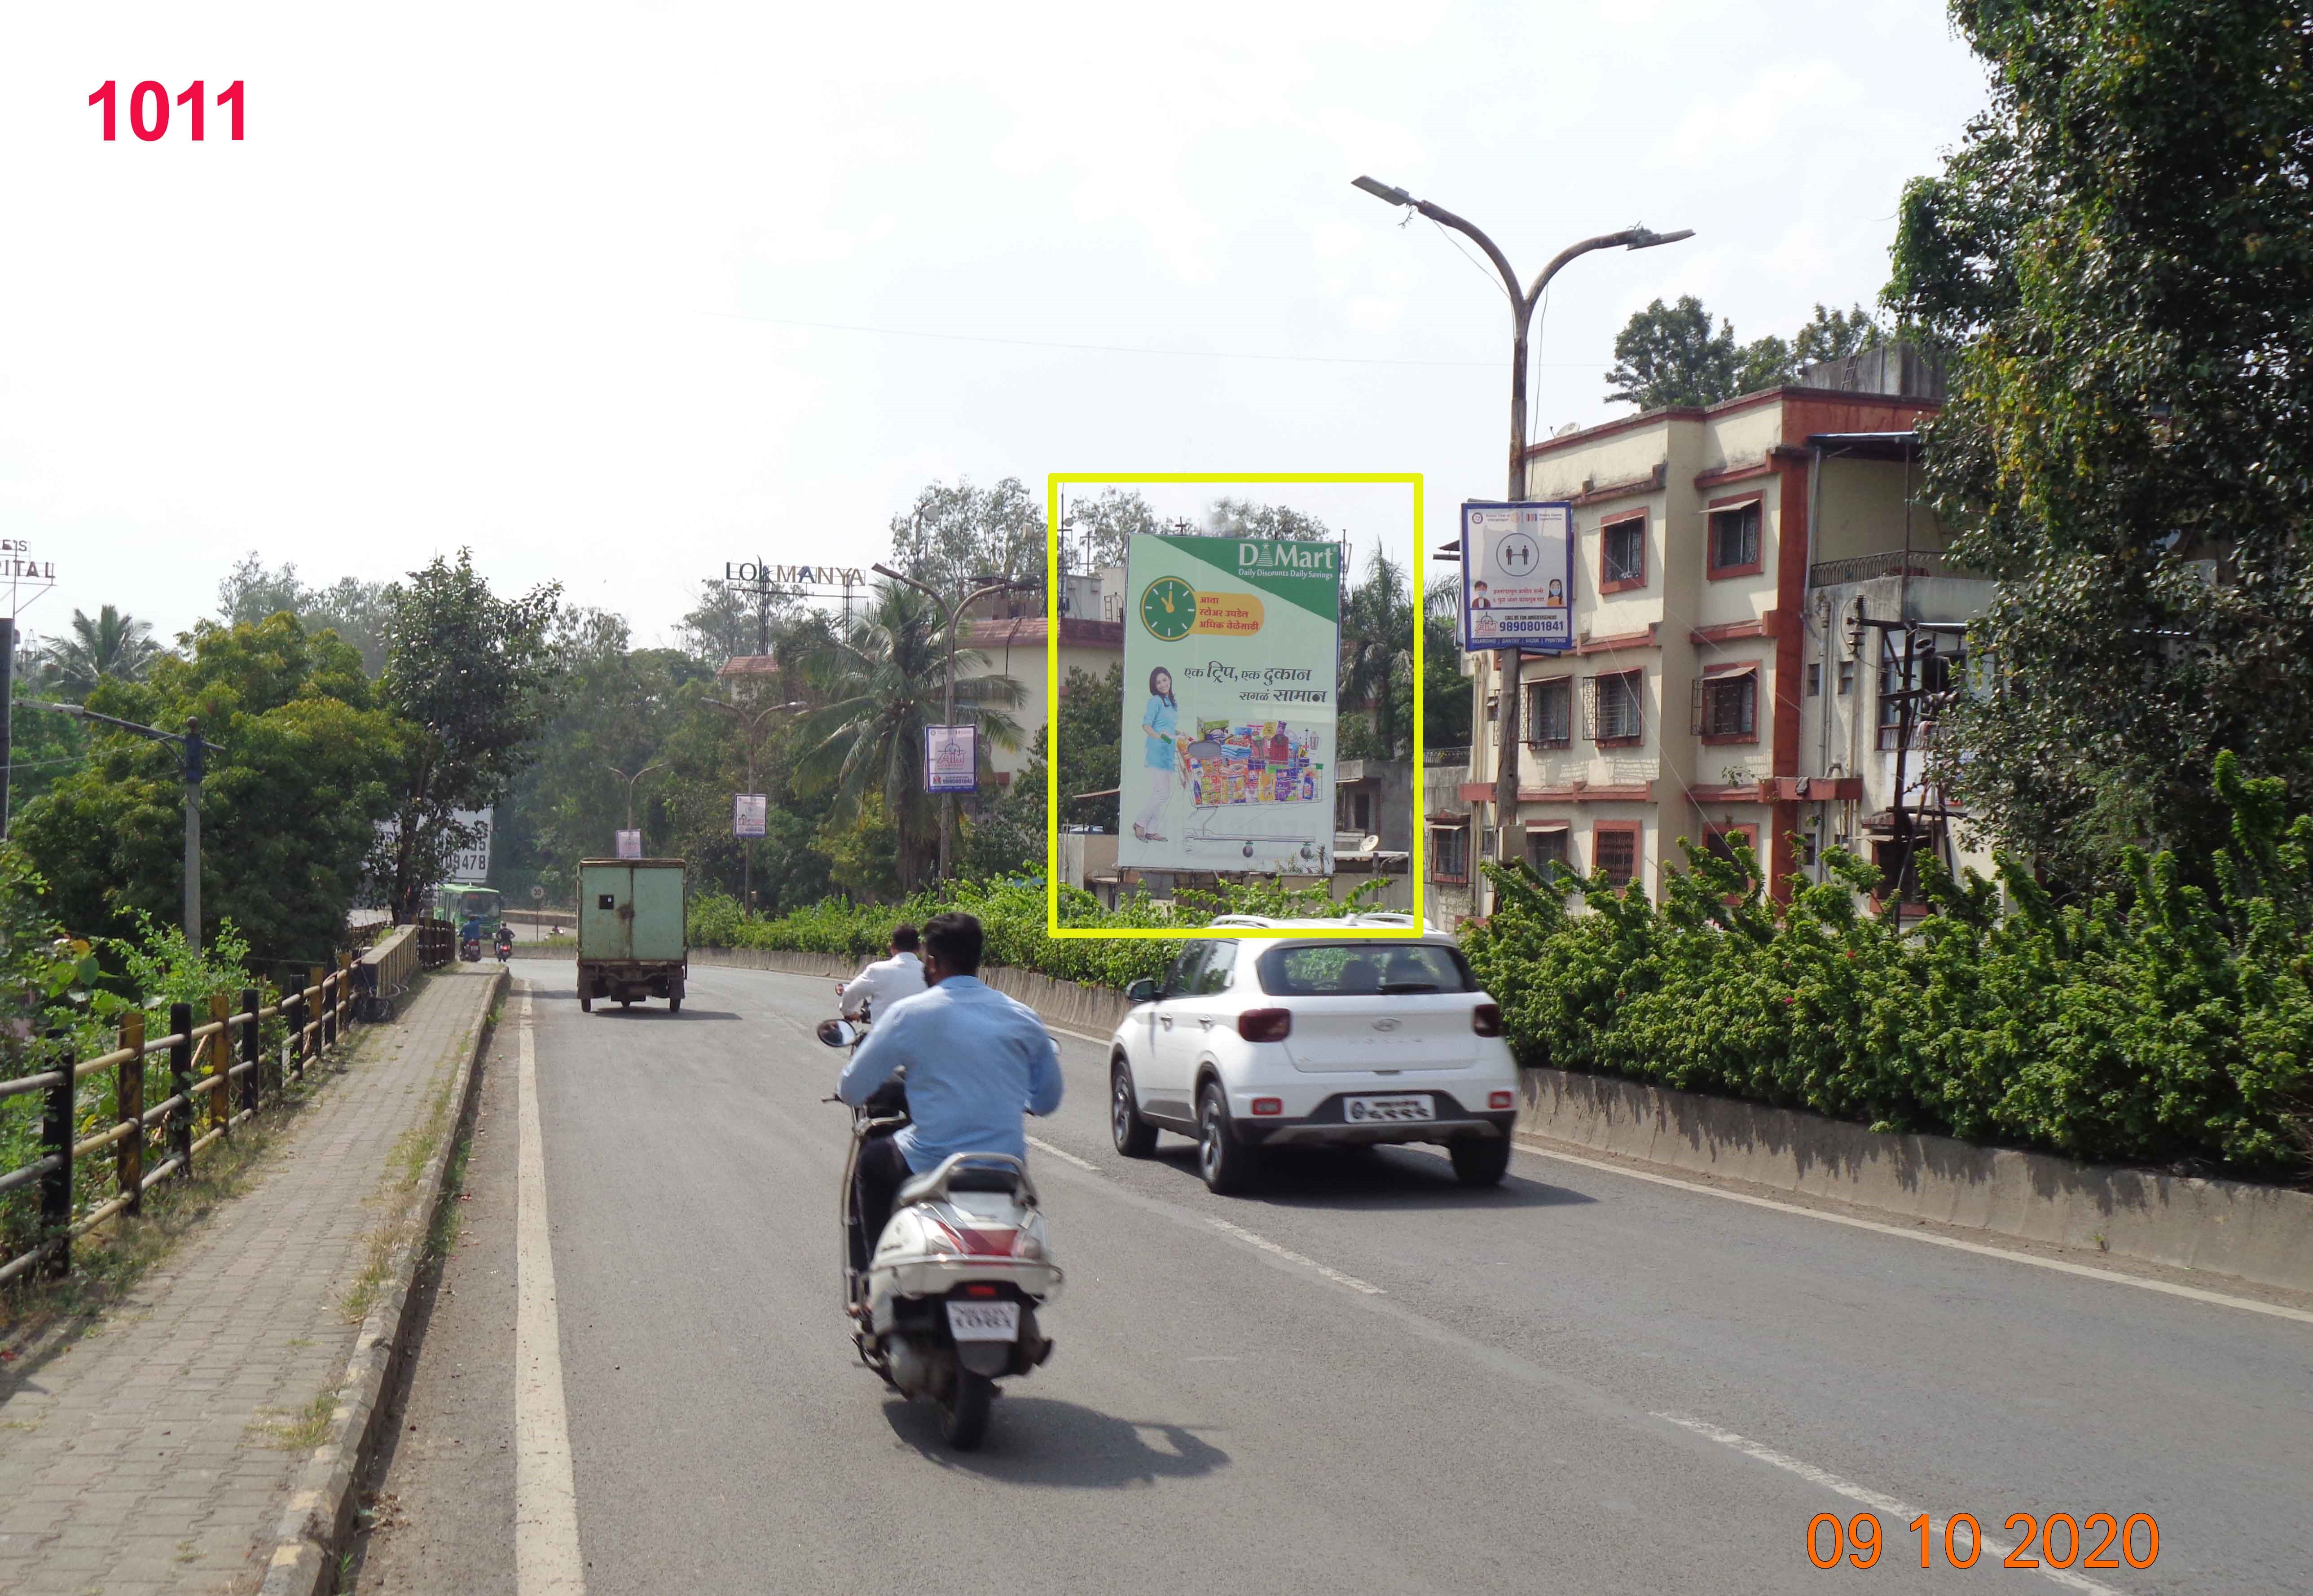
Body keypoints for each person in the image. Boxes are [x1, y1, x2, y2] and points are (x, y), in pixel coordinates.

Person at [838, 912, 1063, 1277]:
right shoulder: (1024, 1018)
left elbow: (852, 1089)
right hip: (1006, 1168)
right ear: (977, 960)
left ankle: (872, 1279)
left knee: (872, 1163)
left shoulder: (909, 1015)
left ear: (933, 961)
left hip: (929, 1163)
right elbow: (1047, 1101)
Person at [837, 923, 926, 1021]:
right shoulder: (930, 973)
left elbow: (850, 992)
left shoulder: (877, 970)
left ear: (892, 947)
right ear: (919, 948)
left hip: (885, 1035)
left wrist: (849, 1013)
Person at [1131, 666, 1180, 843]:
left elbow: (1170, 727)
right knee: (1162, 793)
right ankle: (1140, 824)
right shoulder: (1155, 701)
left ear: (1170, 679)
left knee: (1161, 793)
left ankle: (1151, 830)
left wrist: (1181, 734)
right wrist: (1159, 736)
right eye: (1158, 682)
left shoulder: (1173, 703)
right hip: (1157, 750)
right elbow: (1146, 725)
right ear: (1154, 686)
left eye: (1165, 680)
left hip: (1168, 751)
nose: (1162, 685)